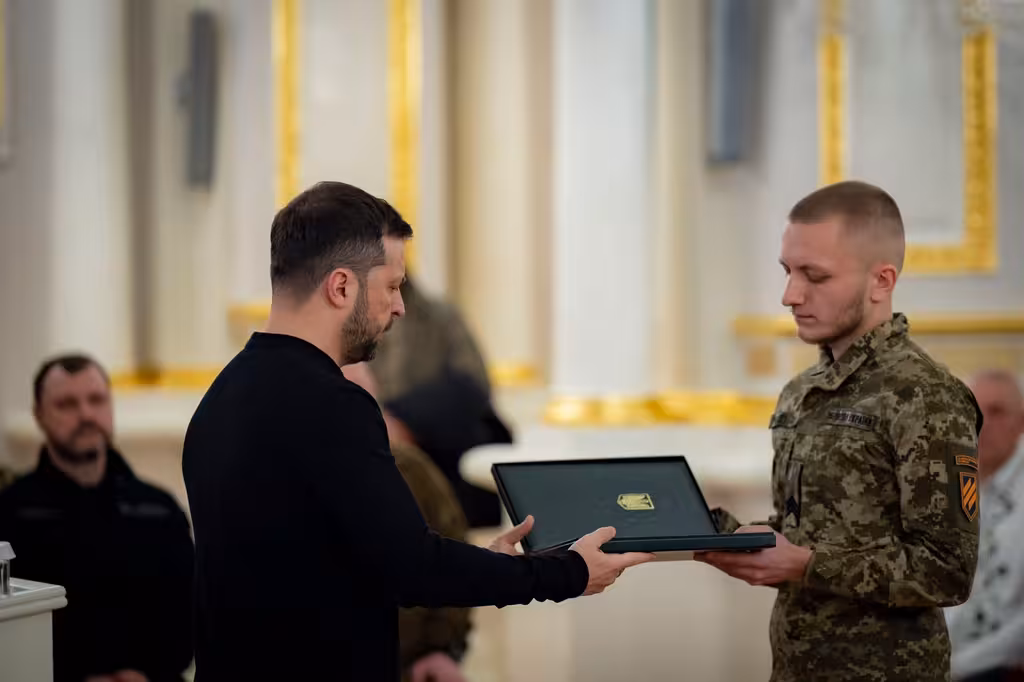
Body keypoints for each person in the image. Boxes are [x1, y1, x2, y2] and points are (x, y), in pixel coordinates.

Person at [182, 181, 652, 681]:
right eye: (391, 286)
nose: (400, 306)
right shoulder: (333, 404)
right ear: (341, 287)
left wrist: (484, 562)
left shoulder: (219, 400)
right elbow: (414, 569)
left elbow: (343, 562)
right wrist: (568, 572)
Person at [696, 180, 983, 681]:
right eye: (788, 272)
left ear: (881, 281)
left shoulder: (925, 396)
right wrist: (739, 539)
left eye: (816, 276)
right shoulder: (800, 392)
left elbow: (947, 571)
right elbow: (810, 532)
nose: (790, 295)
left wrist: (804, 564)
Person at [0, 354, 195, 682]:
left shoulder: (158, 509)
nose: (86, 414)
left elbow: (190, 615)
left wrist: (145, 673)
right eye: (67, 404)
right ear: (39, 415)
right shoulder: (10, 514)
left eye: (96, 400)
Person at [344, 361, 473, 682]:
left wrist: (441, 648)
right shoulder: (282, 474)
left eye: (361, 391)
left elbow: (451, 557)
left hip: (407, 663)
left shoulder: (411, 470)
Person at [369, 276, 509, 528]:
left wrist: (402, 420)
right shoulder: (342, 321)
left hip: (433, 451)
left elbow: (473, 383)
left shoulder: (439, 316)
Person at [946, 370, 1024, 681]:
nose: (982, 423)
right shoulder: (951, 487)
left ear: (1021, 423)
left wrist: (955, 668)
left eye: (997, 412)